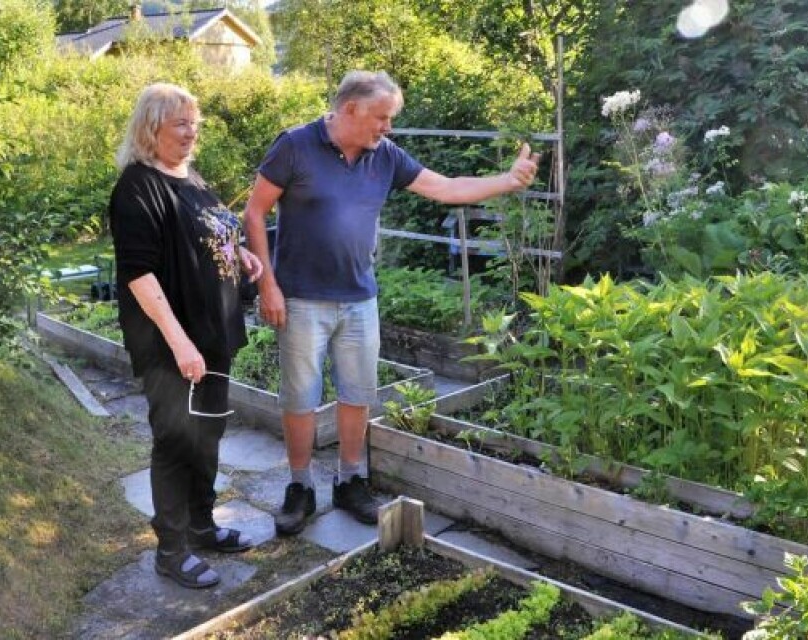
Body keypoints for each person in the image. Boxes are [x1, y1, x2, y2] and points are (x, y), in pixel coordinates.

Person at [244, 70, 539, 534]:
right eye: (382, 117)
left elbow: (445, 188)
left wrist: (506, 180)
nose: (387, 127)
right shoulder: (295, 145)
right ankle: (300, 487)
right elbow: (254, 212)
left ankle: (350, 481)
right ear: (350, 109)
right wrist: (268, 285)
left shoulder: (386, 156)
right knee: (300, 398)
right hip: (301, 298)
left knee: (358, 393)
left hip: (360, 298)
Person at [109, 83, 264, 588]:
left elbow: (213, 232)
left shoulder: (191, 178)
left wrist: (238, 254)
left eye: (194, 122)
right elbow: (139, 274)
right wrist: (180, 344)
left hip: (214, 334)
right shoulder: (137, 187)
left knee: (208, 436)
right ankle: (171, 550)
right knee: (176, 441)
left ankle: (201, 525)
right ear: (151, 128)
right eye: (180, 122)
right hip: (172, 344)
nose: (191, 131)